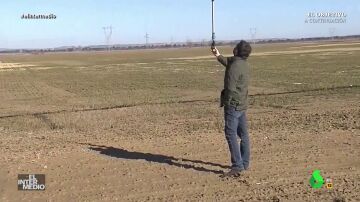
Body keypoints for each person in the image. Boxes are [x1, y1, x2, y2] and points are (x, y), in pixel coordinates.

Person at [211, 40, 252, 177]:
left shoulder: (235, 67)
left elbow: (230, 88)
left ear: (237, 51)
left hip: (233, 106)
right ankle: (244, 163)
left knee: (230, 134)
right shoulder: (243, 64)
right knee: (243, 134)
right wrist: (217, 55)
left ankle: (237, 166)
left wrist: (227, 103)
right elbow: (230, 63)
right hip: (242, 104)